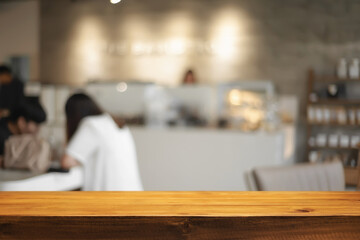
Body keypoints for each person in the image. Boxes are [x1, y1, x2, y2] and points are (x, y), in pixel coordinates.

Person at [61, 93, 143, 191]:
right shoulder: (115, 123)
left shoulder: (91, 124)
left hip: (110, 198)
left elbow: (67, 161)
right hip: (134, 195)